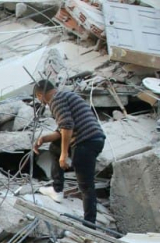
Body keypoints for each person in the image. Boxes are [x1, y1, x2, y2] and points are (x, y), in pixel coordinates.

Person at [32, 79, 107, 227]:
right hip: (94, 139)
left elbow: (67, 126)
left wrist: (64, 154)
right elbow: (63, 130)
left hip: (85, 142)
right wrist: (45, 138)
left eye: (38, 98)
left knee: (86, 186)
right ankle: (57, 189)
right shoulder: (65, 96)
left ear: (40, 95)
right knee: (54, 147)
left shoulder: (55, 101)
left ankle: (89, 225)